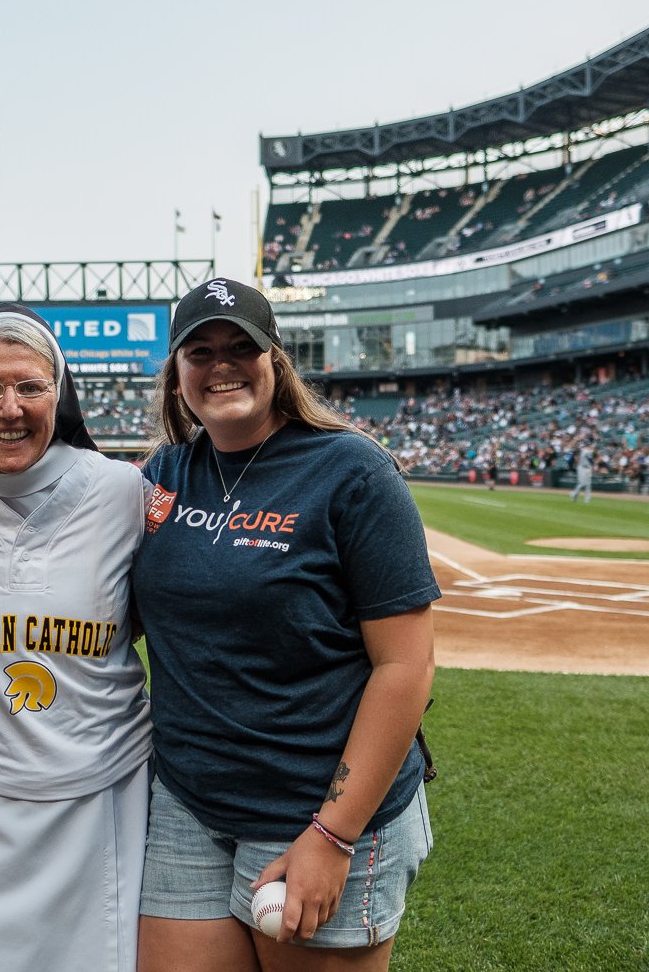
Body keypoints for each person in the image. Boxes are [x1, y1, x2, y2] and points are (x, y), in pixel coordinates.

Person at [133, 278, 439, 972]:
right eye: (200, 350)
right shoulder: (166, 474)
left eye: (243, 347)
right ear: (177, 374)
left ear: (277, 361)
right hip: (188, 802)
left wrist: (333, 835)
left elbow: (406, 667)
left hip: (318, 808)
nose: (221, 365)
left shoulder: (352, 471)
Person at [0, 304, 152, 972]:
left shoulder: (125, 493)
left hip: (103, 799)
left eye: (29, 387)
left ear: (59, 393)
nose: (8, 408)